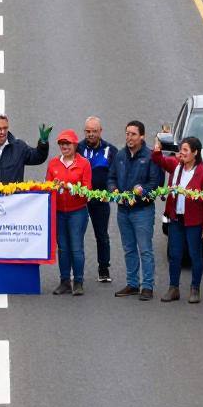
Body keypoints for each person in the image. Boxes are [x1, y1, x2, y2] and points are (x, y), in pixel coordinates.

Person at [152, 135, 203, 303]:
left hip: (194, 221)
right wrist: (157, 148)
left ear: (195, 152)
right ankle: (173, 288)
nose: (181, 153)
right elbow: (159, 160)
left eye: (185, 150)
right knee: (175, 254)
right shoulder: (176, 166)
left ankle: (195, 288)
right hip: (176, 219)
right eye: (181, 150)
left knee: (194, 255)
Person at [108, 121, 162, 301]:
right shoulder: (120, 155)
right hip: (123, 210)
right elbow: (111, 177)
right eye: (127, 133)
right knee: (128, 248)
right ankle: (132, 283)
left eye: (133, 134)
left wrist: (143, 190)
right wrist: (113, 188)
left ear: (142, 136)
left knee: (145, 249)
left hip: (142, 211)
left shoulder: (150, 156)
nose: (129, 137)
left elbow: (156, 182)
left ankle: (147, 286)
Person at [46, 130, 92, 296]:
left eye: (68, 143)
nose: (64, 146)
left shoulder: (84, 164)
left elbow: (87, 190)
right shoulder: (53, 164)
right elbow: (47, 187)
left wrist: (69, 187)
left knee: (76, 248)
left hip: (77, 211)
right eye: (61, 144)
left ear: (75, 145)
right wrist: (53, 187)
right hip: (59, 212)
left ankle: (78, 281)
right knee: (63, 248)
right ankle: (65, 281)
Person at [78, 117, 117, 283]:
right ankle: (76, 269)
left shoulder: (111, 150)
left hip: (100, 199)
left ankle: (104, 268)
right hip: (80, 199)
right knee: (76, 235)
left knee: (102, 235)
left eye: (94, 131)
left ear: (101, 131)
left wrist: (111, 191)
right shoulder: (77, 148)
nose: (91, 134)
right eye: (88, 131)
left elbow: (115, 175)